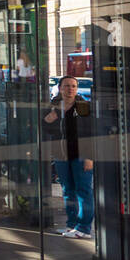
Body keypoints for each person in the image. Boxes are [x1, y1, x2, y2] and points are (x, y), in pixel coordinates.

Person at [44, 75, 95, 240]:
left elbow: (91, 133)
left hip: (81, 156)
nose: (70, 89)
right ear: (60, 88)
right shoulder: (53, 107)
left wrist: (90, 157)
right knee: (67, 191)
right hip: (61, 155)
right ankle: (72, 225)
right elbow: (45, 129)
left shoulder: (83, 106)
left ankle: (84, 228)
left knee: (84, 191)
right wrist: (46, 121)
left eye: (73, 86)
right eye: (67, 86)